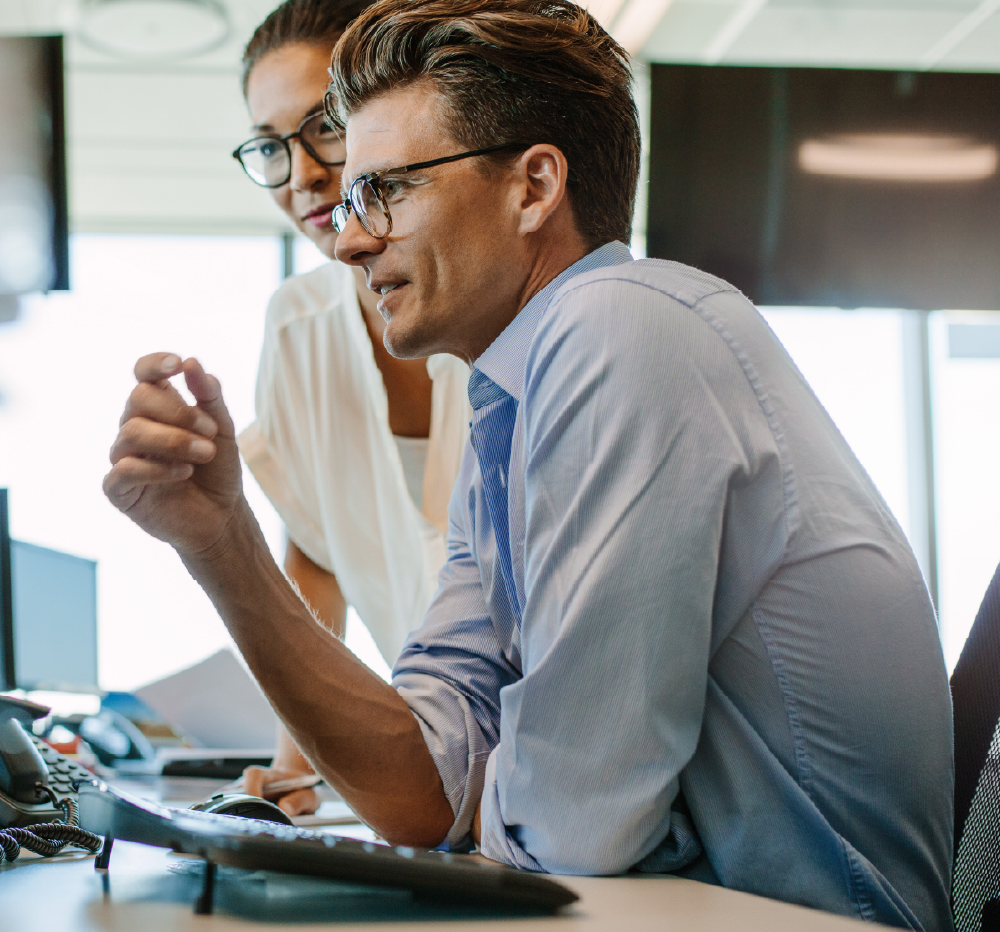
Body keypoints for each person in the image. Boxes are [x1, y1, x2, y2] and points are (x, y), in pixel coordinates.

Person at [103, 1, 954, 929]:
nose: (347, 238)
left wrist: (482, 797)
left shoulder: (622, 329)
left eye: (384, 189)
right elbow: (423, 790)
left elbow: (571, 828)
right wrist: (220, 543)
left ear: (533, 186)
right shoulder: (505, 411)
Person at [230, 0, 472, 816]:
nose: (301, 174)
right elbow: (317, 553)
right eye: (270, 146)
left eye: (326, 125)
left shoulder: (500, 299)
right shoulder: (298, 327)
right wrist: (294, 768)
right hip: (438, 774)